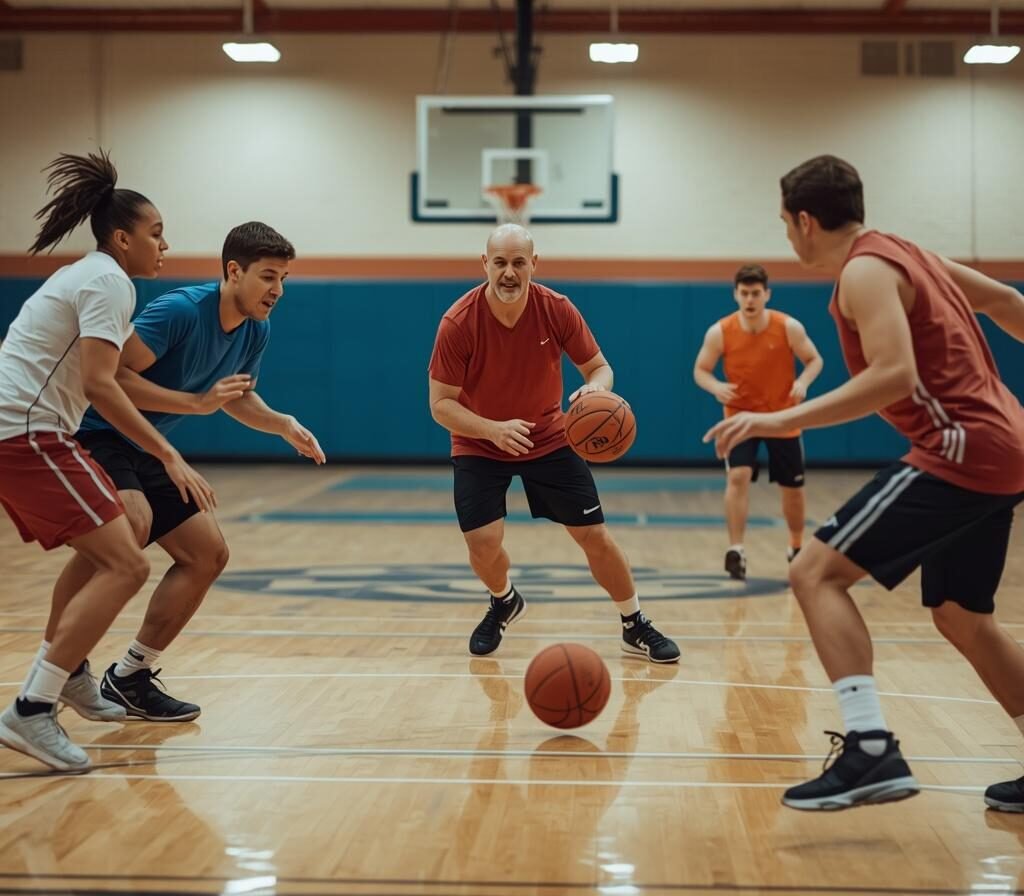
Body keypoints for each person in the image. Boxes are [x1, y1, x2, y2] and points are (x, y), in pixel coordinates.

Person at [705, 154, 1024, 812]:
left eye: (786, 224)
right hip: (1004, 444)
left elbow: (894, 376)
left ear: (804, 220)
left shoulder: (865, 272)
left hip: (960, 449)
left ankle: (870, 746)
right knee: (962, 615)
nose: (787, 237)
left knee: (813, 572)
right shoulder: (909, 253)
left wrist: (778, 416)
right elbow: (1007, 302)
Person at [57, 221, 325, 722]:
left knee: (208, 554)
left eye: (284, 278)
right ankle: (62, 662)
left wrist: (282, 424)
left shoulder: (254, 328)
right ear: (232, 271)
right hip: (99, 431)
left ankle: (131, 676)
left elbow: (236, 396)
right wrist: (194, 403)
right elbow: (114, 377)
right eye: (269, 277)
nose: (278, 290)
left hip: (148, 446)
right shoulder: (179, 311)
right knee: (131, 527)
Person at [0, 150, 213, 772]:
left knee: (109, 552)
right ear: (122, 239)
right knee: (126, 562)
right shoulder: (108, 281)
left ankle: (66, 674)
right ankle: (32, 708)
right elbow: (101, 383)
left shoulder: (94, 275)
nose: (164, 246)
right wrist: (168, 451)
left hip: (28, 429)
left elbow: (106, 380)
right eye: (156, 234)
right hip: (26, 431)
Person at [428, 224, 680, 664]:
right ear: (485, 264)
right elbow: (440, 405)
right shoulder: (458, 322)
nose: (509, 272)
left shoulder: (556, 308)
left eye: (519, 262)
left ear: (534, 264)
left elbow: (599, 367)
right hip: (481, 441)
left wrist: (594, 391)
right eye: (500, 262)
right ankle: (504, 600)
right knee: (482, 545)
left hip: (548, 437)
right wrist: (492, 429)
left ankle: (633, 623)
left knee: (594, 536)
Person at [693, 263, 823, 579]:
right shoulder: (720, 331)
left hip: (782, 416)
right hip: (740, 418)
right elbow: (701, 370)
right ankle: (736, 549)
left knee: (791, 488)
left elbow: (814, 360)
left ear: (767, 294)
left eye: (756, 293)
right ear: (735, 295)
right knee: (737, 477)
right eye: (744, 293)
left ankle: (795, 546)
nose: (750, 299)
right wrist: (716, 387)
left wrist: (803, 382)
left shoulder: (788, 327)